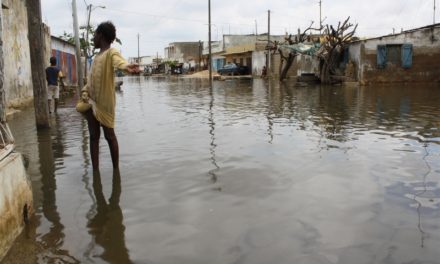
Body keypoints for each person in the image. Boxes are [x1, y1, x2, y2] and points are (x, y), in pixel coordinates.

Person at [82, 21, 139, 171]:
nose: (93, 38)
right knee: (93, 137)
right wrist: (85, 91)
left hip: (105, 104)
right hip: (93, 102)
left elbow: (118, 60)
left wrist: (127, 66)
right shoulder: (96, 57)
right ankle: (95, 172)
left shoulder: (110, 53)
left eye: (94, 35)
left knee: (109, 136)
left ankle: (116, 171)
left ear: (100, 35)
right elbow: (91, 79)